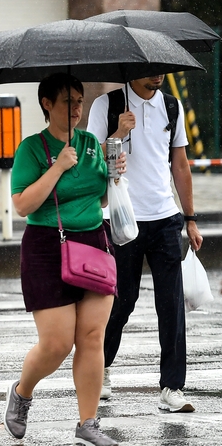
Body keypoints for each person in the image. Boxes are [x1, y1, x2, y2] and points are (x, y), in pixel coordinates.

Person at [3, 73, 124, 446]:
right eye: (68, 101)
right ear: (47, 104)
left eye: (79, 101)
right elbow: (22, 205)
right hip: (46, 246)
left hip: (93, 244)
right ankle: (22, 392)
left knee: (91, 337)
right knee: (56, 343)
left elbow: (101, 198)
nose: (76, 108)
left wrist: (114, 175)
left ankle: (88, 422)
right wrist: (57, 166)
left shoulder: (90, 144)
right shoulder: (32, 149)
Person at [87, 75, 202, 413]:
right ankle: (101, 368)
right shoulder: (106, 106)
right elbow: (90, 159)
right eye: (151, 68)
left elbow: (179, 164)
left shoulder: (171, 106)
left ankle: (172, 386)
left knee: (171, 305)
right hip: (122, 218)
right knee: (121, 302)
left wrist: (191, 217)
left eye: (161, 68)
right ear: (132, 69)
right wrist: (118, 134)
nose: (158, 75)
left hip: (165, 217)